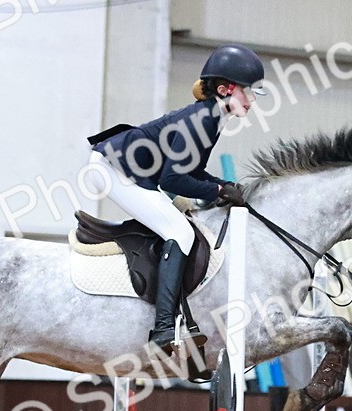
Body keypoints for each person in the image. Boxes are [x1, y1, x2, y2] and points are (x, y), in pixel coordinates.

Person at [86, 44, 265, 354]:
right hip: (113, 170)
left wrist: (222, 183)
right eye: (247, 93)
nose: (251, 101)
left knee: (178, 227)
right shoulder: (204, 119)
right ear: (224, 89)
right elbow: (173, 180)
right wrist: (219, 192)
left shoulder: (212, 117)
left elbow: (191, 170)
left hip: (124, 169)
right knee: (178, 232)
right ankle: (164, 328)